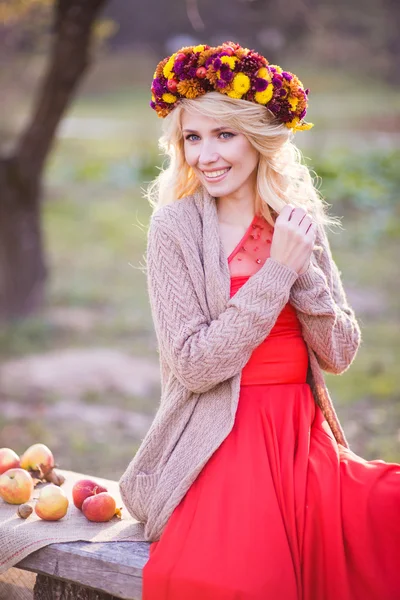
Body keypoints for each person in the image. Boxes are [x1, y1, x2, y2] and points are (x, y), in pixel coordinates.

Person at [118, 41, 400, 600]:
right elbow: (196, 366)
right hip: (220, 439)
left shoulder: (298, 221)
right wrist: (276, 275)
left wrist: (302, 268)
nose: (206, 155)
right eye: (192, 138)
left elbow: (339, 354)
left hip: (302, 440)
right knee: (246, 578)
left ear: (261, 139)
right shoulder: (174, 229)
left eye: (224, 134)